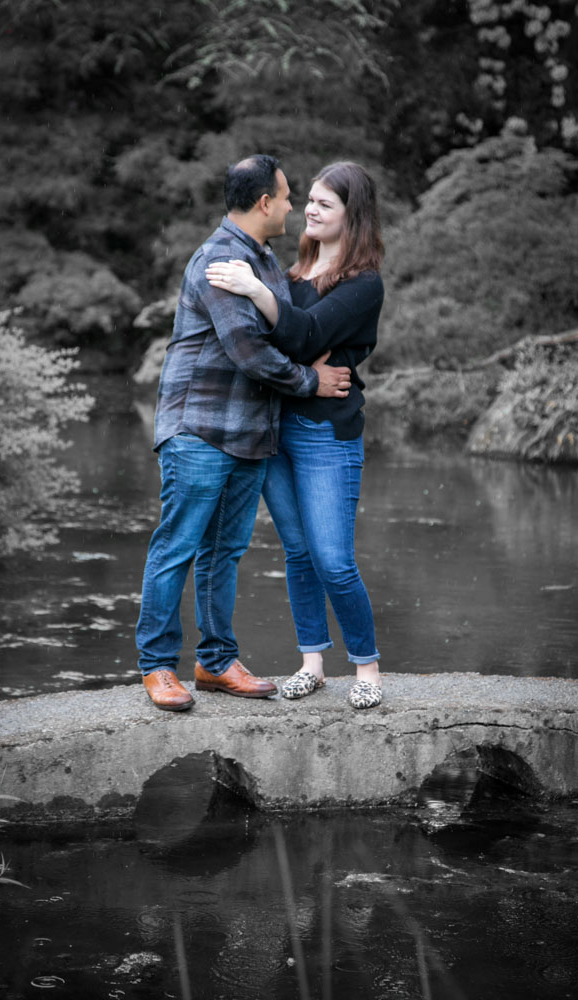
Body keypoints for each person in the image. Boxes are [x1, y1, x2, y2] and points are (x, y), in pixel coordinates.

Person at [136, 154, 352, 711]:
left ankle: (214, 663)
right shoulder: (218, 260)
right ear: (263, 203)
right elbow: (252, 352)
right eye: (285, 197)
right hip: (200, 431)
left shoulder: (266, 262)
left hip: (251, 434)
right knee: (179, 546)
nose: (291, 205)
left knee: (224, 552)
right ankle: (158, 667)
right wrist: (312, 381)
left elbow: (285, 330)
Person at [205, 161, 385, 709]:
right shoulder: (295, 272)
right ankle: (312, 662)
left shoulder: (362, 284)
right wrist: (285, 324)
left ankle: (369, 669)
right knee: (299, 553)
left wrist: (258, 292)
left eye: (324, 204)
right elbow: (283, 345)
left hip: (327, 436)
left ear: (352, 217)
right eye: (307, 199)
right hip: (276, 430)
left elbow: (302, 335)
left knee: (333, 558)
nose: (309, 209)